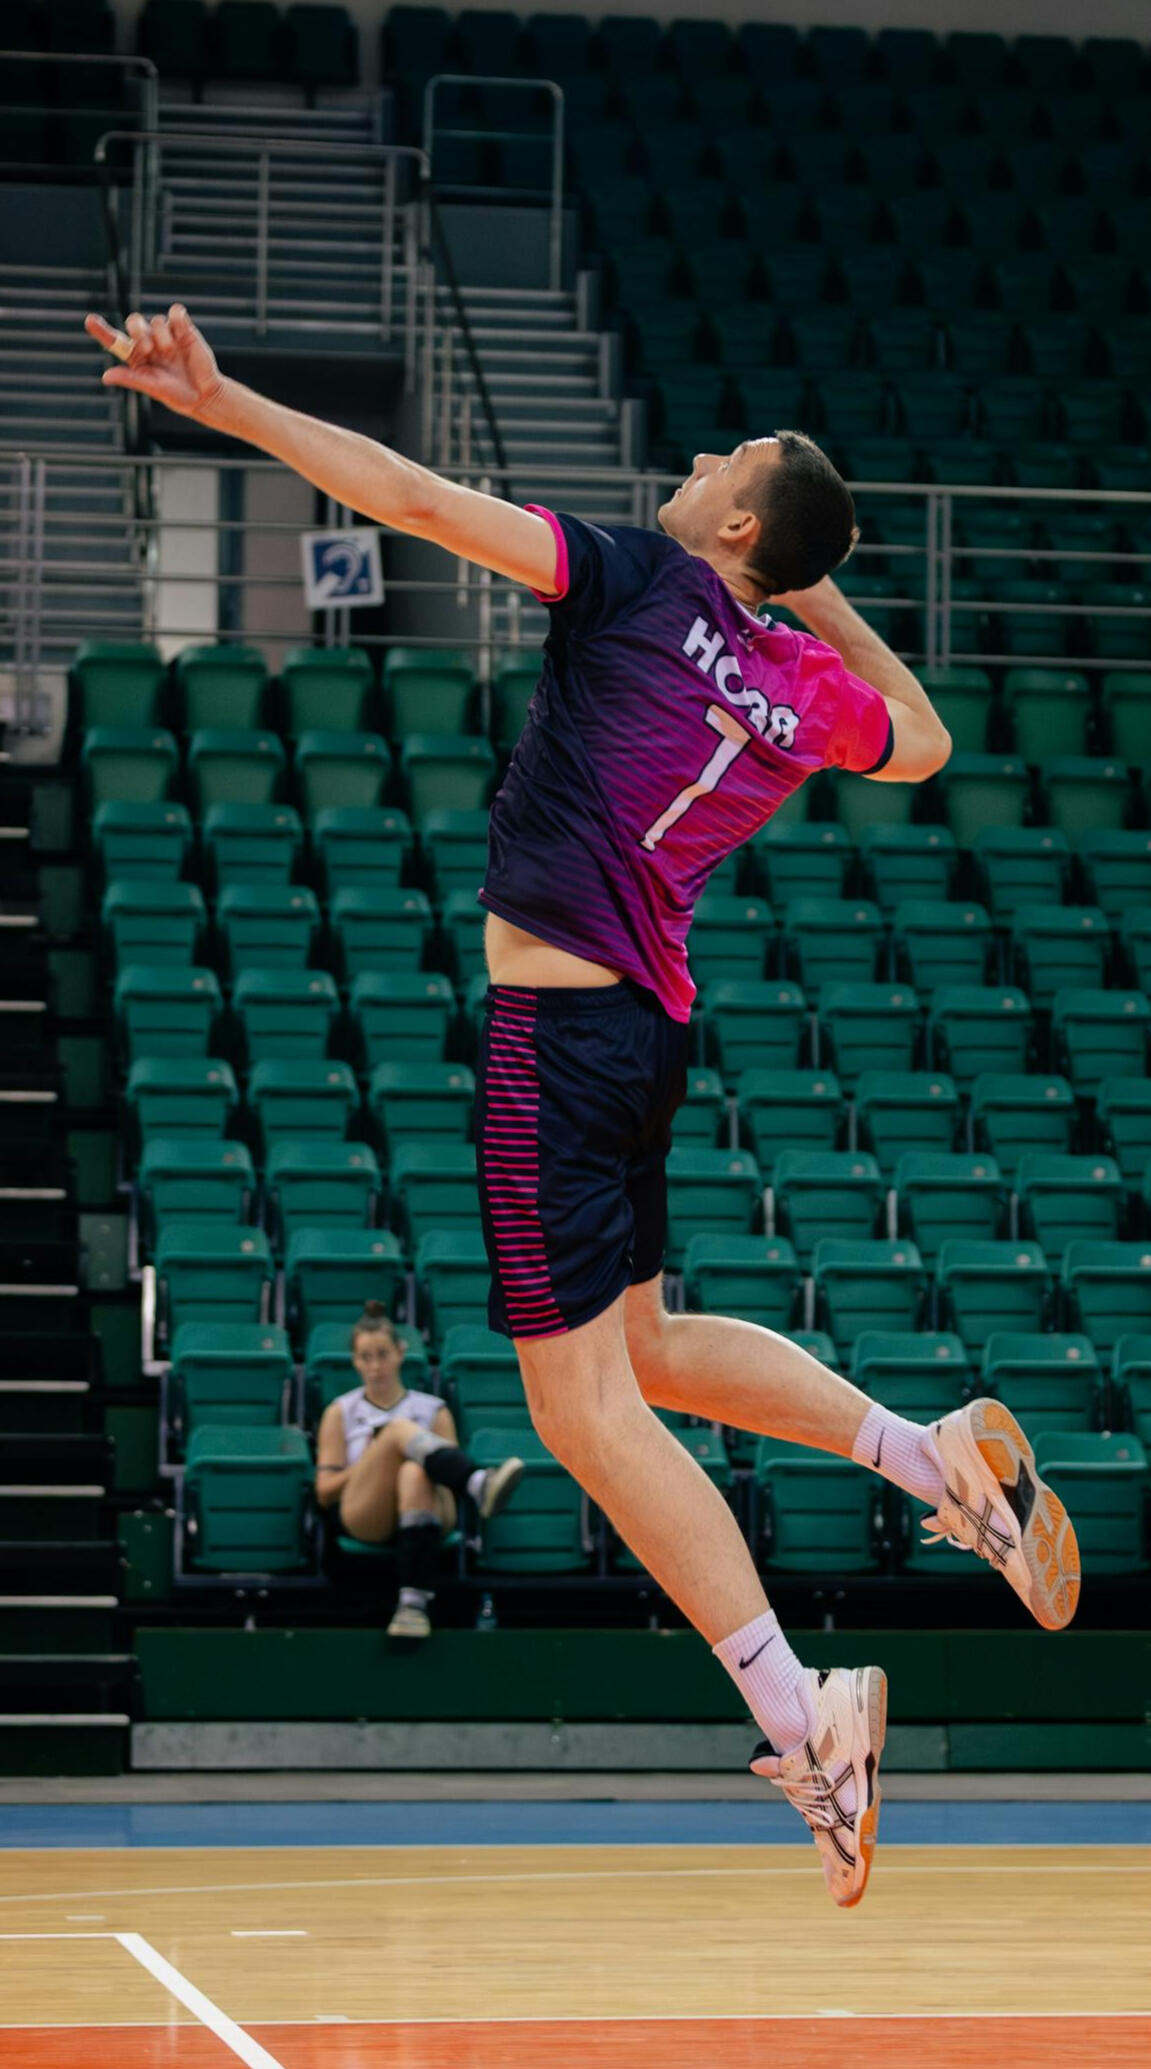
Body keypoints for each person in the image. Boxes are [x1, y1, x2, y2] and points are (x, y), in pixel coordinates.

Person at [88, 306, 1081, 1905]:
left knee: (576, 1412)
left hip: (555, 1039)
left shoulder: (627, 576)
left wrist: (229, 405)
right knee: (650, 1351)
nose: (688, 465)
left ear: (733, 524)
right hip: (641, 1034)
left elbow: (410, 499)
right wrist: (806, 588)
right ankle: (927, 1452)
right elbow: (927, 739)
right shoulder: (793, 688)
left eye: (719, 465)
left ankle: (803, 1714)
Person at [313, 1301, 523, 1641]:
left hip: (428, 1506)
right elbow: (324, 1491)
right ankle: (477, 1481)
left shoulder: (432, 1409)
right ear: (354, 1361)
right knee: (397, 1432)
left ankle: (412, 1604)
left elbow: (445, 1491)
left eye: (383, 1354)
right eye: (366, 1357)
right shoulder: (340, 1412)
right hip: (367, 1511)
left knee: (413, 1472)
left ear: (400, 1352)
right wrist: (374, 1458)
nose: (375, 1366)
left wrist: (403, 1456)